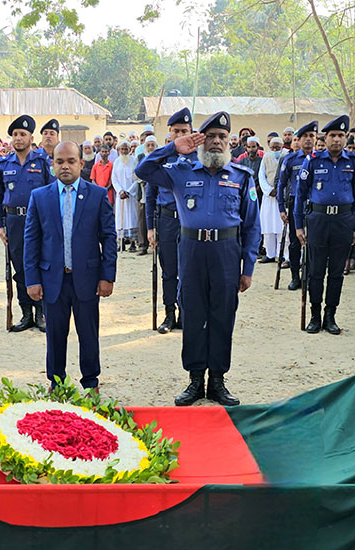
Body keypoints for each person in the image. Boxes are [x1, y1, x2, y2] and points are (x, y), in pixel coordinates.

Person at [136, 111, 261, 406]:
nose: (216, 142)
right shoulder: (181, 170)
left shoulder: (242, 177)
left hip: (227, 253)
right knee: (192, 314)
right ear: (200, 140)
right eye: (210, 136)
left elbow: (252, 225)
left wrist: (249, 266)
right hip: (191, 250)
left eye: (221, 137)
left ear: (229, 142)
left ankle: (217, 381)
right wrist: (173, 147)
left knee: (222, 314)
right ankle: (195, 380)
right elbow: (143, 171)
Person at [23, 141, 117, 389]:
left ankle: (91, 382)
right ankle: (56, 382)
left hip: (87, 278)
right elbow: (31, 240)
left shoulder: (96, 195)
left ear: (81, 163)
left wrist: (108, 276)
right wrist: (31, 279)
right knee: (55, 336)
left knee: (88, 334)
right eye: (59, 161)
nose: (65, 166)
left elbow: (108, 237)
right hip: (52, 280)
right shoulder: (40, 197)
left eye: (71, 161)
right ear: (52, 165)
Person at [294, 115, 355, 335]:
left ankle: (330, 314)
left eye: (341, 136)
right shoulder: (312, 160)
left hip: (344, 221)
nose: (336, 140)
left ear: (346, 138)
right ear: (325, 137)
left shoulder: (354, 161)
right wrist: (298, 226)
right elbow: (300, 195)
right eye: (332, 135)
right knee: (315, 271)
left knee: (336, 272)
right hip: (318, 220)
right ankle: (315, 315)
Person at [0, 114, 53, 333]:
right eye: (15, 135)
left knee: (39, 264)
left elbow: (52, 191)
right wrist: (0, 225)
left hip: (37, 221)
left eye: (23, 134)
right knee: (19, 268)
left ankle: (41, 313)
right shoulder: (3, 164)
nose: (18, 138)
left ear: (30, 137)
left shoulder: (42, 162)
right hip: (14, 221)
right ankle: (26, 312)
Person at [145, 107, 193, 334]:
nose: (181, 135)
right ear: (170, 133)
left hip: (190, 223)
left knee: (189, 269)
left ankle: (186, 312)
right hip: (166, 220)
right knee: (168, 270)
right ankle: (169, 313)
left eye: (185, 130)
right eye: (176, 131)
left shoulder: (199, 158)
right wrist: (150, 228)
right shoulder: (162, 158)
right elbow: (150, 195)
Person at [277, 120, 318, 290]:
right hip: (296, 205)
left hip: (316, 205)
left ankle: (309, 276)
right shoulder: (291, 159)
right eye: (305, 136)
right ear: (298, 140)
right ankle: (295, 276)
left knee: (313, 243)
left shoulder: (321, 158)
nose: (308, 139)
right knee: (295, 242)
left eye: (312, 136)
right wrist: (281, 207)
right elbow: (281, 184)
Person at [257, 136, 284, 264]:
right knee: (268, 227)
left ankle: (281, 254)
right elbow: (261, 176)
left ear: (282, 147)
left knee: (280, 227)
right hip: (269, 197)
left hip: (282, 197)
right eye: (273, 147)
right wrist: (269, 190)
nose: (275, 150)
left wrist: (280, 191)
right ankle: (270, 254)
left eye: (277, 147)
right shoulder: (266, 157)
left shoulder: (286, 156)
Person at [111, 140, 138, 252]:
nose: (124, 151)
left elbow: (137, 179)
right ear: (119, 150)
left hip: (131, 196)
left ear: (129, 149)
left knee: (132, 218)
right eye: (122, 149)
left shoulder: (134, 161)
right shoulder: (116, 162)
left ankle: (132, 243)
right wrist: (120, 191)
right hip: (120, 196)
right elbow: (114, 179)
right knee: (120, 219)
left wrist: (128, 191)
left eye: (126, 148)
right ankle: (121, 242)